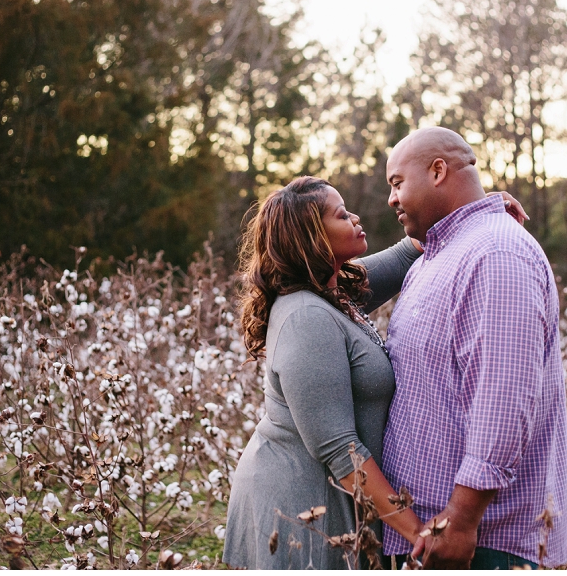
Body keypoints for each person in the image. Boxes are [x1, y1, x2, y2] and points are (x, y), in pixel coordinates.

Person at [222, 176, 526, 569]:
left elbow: (406, 254)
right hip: (300, 503)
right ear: (312, 236)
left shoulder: (333, 292)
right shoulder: (305, 317)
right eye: (341, 214)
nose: (355, 217)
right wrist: (420, 533)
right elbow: (340, 449)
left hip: (334, 497)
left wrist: (477, 205)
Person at [380, 127, 567, 569]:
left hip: (482, 544)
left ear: (438, 170)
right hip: (431, 533)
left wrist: (462, 517)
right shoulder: (439, 254)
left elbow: (502, 399)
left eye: (396, 183)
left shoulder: (496, 252)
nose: (391, 199)